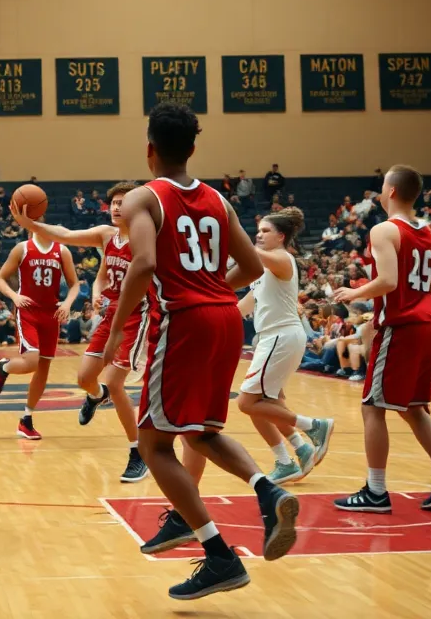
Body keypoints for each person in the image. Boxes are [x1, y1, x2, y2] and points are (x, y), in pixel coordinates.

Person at [103, 103, 297, 599]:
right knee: (202, 433)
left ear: (150, 150)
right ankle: (267, 489)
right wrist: (212, 293)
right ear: (192, 147)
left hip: (184, 323)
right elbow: (252, 267)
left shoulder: (144, 198)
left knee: (153, 445)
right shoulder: (217, 198)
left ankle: (217, 555)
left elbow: (143, 263)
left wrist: (116, 329)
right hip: (226, 319)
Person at [333, 165, 431, 514]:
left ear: (390, 191)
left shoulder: (384, 230)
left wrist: (354, 291)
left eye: (382, 187)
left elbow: (389, 280)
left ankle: (375, 491)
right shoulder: (430, 235)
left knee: (372, 408)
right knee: (414, 408)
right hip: (426, 326)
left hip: (401, 327)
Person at [10, 182, 153, 482]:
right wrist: (29, 224)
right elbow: (67, 237)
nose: (116, 207)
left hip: (136, 317)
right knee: (84, 378)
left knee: (115, 382)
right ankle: (95, 395)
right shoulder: (106, 236)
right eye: (113, 201)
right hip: (111, 315)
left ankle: (138, 451)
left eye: (123, 202)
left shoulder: (146, 239)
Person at [234, 208, 335, 483]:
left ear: (281, 236)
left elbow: (249, 252)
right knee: (264, 403)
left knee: (246, 402)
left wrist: (228, 233)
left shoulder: (282, 258)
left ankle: (314, 427)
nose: (259, 235)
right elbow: (246, 304)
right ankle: (293, 455)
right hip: (274, 337)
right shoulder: (265, 267)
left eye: (265, 231)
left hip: (281, 336)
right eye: (258, 231)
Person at [0, 217, 80, 441]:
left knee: (43, 369)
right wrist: (14, 296)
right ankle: (4, 367)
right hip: (28, 311)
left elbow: (74, 284)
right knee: (31, 361)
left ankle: (26, 419)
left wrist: (67, 303)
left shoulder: (62, 251)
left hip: (52, 314)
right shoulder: (22, 249)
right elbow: (0, 278)